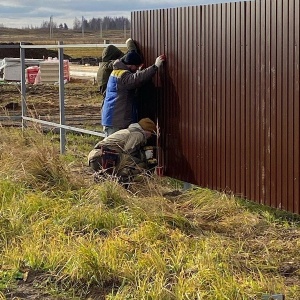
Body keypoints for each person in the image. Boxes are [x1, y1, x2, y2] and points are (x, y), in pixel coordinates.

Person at [101, 51, 166, 137]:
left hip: (113, 120)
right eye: (136, 66)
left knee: (116, 147)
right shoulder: (123, 75)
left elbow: (132, 79)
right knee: (116, 148)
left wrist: (138, 71)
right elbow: (135, 79)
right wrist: (155, 66)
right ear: (130, 64)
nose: (136, 68)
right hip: (116, 122)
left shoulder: (117, 72)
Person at [88, 118, 157, 180]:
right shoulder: (138, 134)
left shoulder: (128, 131)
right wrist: (144, 156)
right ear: (147, 131)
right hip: (103, 157)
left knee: (127, 161)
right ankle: (121, 180)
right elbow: (129, 152)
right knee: (140, 164)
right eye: (151, 133)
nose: (150, 136)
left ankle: (105, 178)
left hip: (95, 156)